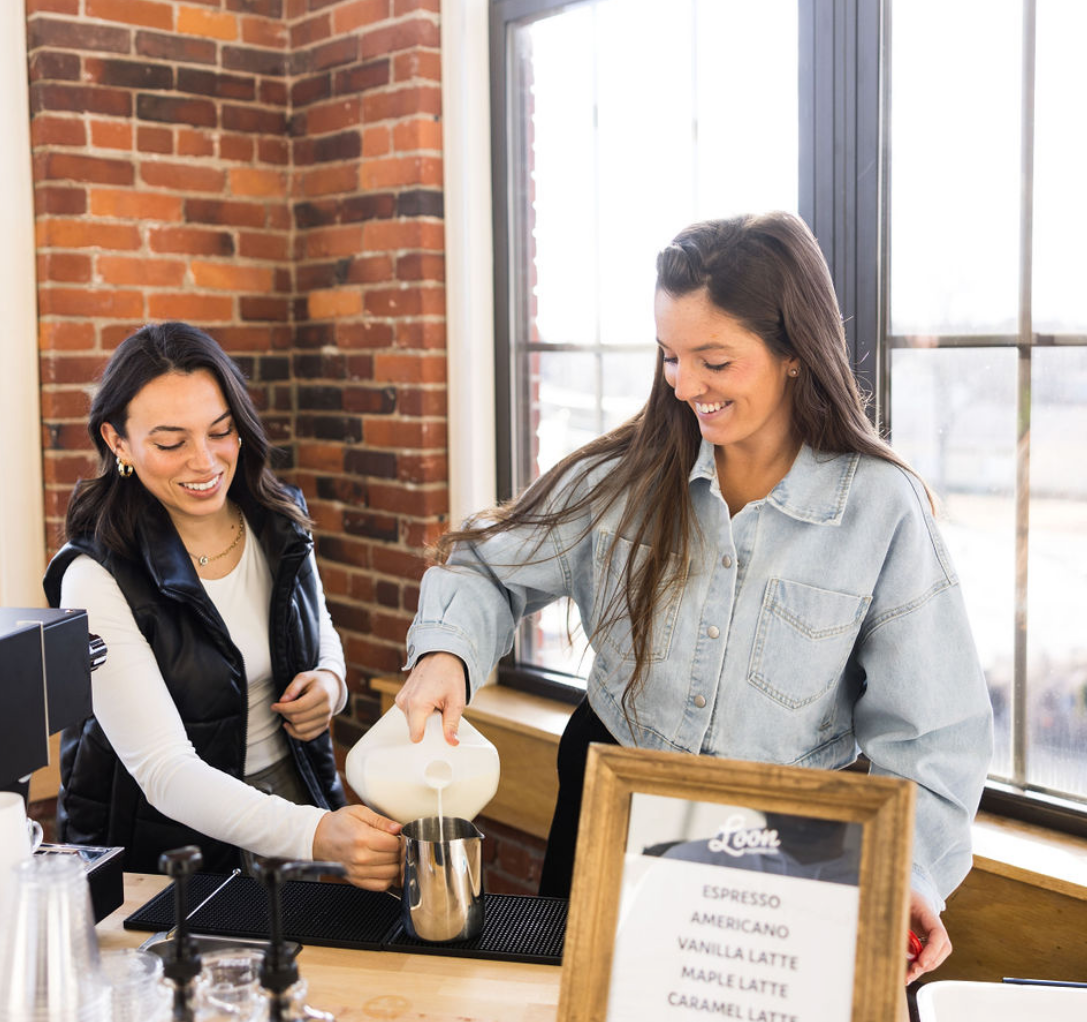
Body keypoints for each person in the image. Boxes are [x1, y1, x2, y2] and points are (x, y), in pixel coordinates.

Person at [396, 212, 993, 982]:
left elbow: (932, 735)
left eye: (713, 360)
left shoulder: (880, 509)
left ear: (793, 352)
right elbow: (483, 561)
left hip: (781, 851)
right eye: (669, 356)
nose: (682, 385)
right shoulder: (619, 478)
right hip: (605, 814)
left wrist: (907, 873)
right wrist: (446, 653)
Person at [44, 321, 402, 887]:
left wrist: (331, 682)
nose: (205, 462)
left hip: (297, 794)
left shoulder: (278, 519)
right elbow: (164, 770)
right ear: (118, 442)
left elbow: (320, 628)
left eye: (221, 431)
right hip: (168, 844)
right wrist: (316, 833)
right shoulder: (93, 576)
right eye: (171, 443)